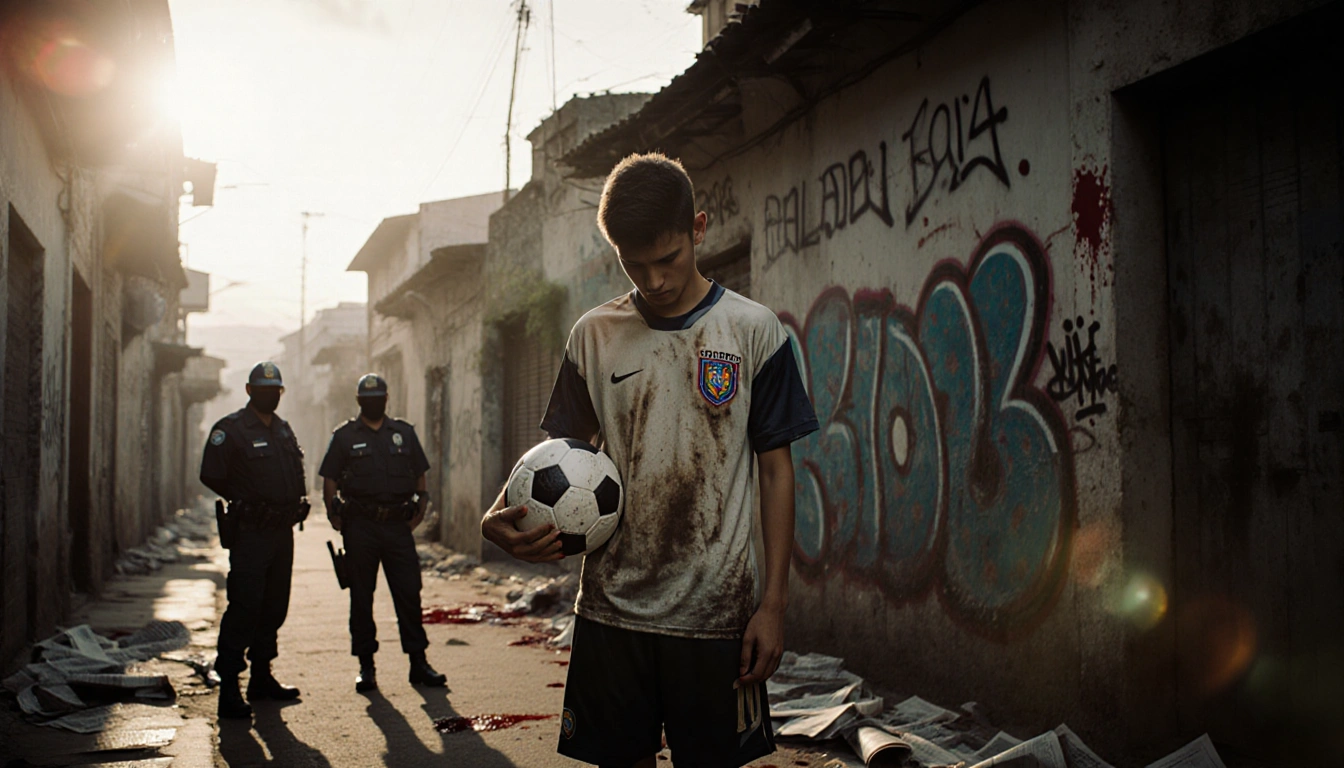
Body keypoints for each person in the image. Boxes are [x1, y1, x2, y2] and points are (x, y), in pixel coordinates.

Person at [481, 153, 819, 768]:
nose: (654, 280)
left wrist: (773, 605)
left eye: (668, 260)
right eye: (634, 265)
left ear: (699, 227)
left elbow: (776, 470)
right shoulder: (594, 334)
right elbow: (558, 459)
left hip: (717, 612)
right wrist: (496, 516)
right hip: (613, 609)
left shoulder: (753, 331)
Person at [319, 373, 446, 693]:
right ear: (359, 401)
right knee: (362, 596)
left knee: (408, 593)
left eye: (378, 397)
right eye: (367, 398)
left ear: (386, 400)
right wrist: (334, 514)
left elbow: (421, 478)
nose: (373, 402)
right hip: (360, 527)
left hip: (397, 527)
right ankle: (366, 666)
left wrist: (417, 516)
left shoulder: (403, 433)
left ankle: (418, 662)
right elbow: (330, 479)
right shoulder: (345, 436)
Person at [200, 361, 310, 720]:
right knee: (245, 606)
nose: (271, 395)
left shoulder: (282, 430)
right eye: (264, 390)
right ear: (249, 391)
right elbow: (210, 474)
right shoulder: (230, 430)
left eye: (276, 390)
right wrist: (244, 499)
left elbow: (295, 471)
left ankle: (262, 678)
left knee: (274, 606)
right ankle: (229, 685)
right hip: (251, 533)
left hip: (282, 532)